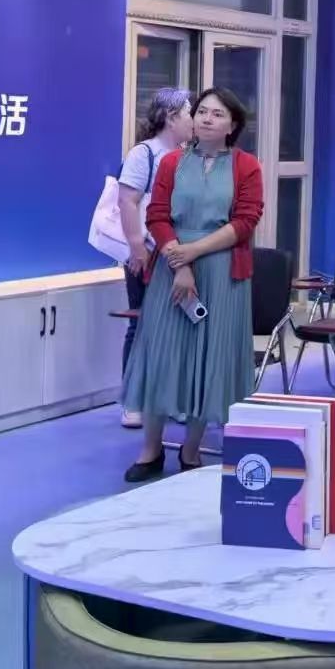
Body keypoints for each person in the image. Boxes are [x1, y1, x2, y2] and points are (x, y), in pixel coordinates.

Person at [121, 88, 265, 483]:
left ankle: (191, 449)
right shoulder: (171, 162)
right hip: (172, 268)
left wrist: (195, 251)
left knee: (209, 359)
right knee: (161, 355)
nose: (206, 119)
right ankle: (151, 450)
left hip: (222, 272)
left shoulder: (247, 166)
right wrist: (180, 261)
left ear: (232, 125)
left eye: (217, 114)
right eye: (202, 112)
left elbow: (246, 221)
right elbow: (157, 215)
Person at [115, 88, 193, 428]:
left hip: (179, 254)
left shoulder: (189, 155)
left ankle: (170, 399)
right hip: (147, 254)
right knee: (141, 325)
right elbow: (127, 201)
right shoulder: (144, 154)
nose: (194, 120)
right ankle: (133, 400)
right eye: (189, 113)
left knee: (177, 328)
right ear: (171, 118)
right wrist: (137, 247)